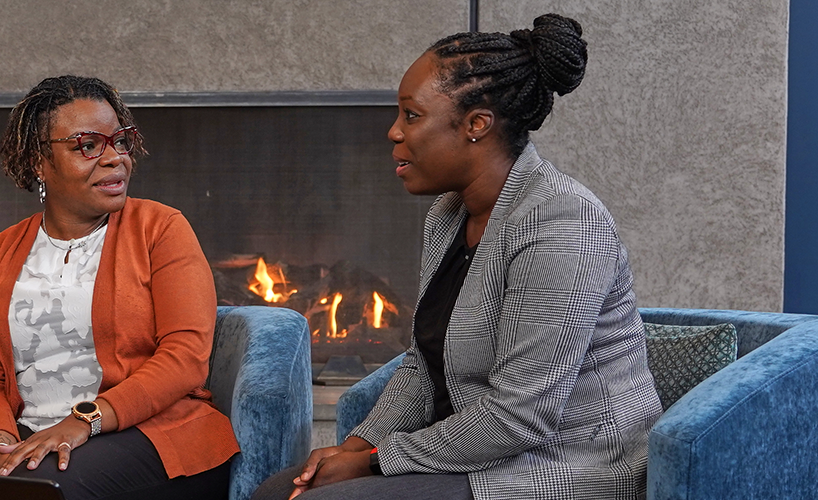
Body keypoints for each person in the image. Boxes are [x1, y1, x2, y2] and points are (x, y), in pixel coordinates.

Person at [253, 13, 662, 500]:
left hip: (561, 467)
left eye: (412, 115)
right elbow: (423, 367)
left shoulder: (563, 222)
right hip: (469, 455)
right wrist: (355, 447)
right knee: (276, 492)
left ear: (476, 125)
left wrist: (378, 462)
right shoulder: (448, 216)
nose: (393, 132)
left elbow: (521, 416)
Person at [0, 75, 239, 500]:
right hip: (28, 434)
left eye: (120, 141)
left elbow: (185, 358)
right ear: (37, 161)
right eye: (87, 146)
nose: (115, 158)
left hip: (148, 431)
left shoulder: (161, 229)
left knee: (36, 491)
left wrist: (84, 421)